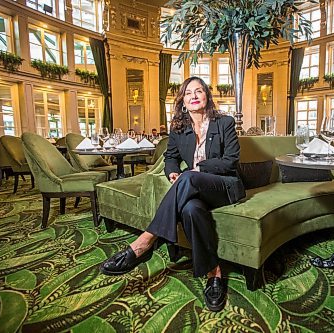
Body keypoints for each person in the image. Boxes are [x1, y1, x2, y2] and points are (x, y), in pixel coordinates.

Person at [100, 76, 245, 312]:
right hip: (195, 189)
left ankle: (145, 241)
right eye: (189, 93)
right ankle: (214, 273)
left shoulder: (225, 123)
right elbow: (170, 158)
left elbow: (230, 162)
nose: (194, 96)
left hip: (225, 186)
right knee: (191, 209)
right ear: (183, 101)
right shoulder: (179, 129)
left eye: (199, 91)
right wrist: (173, 173)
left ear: (207, 96)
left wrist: (194, 172)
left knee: (190, 177)